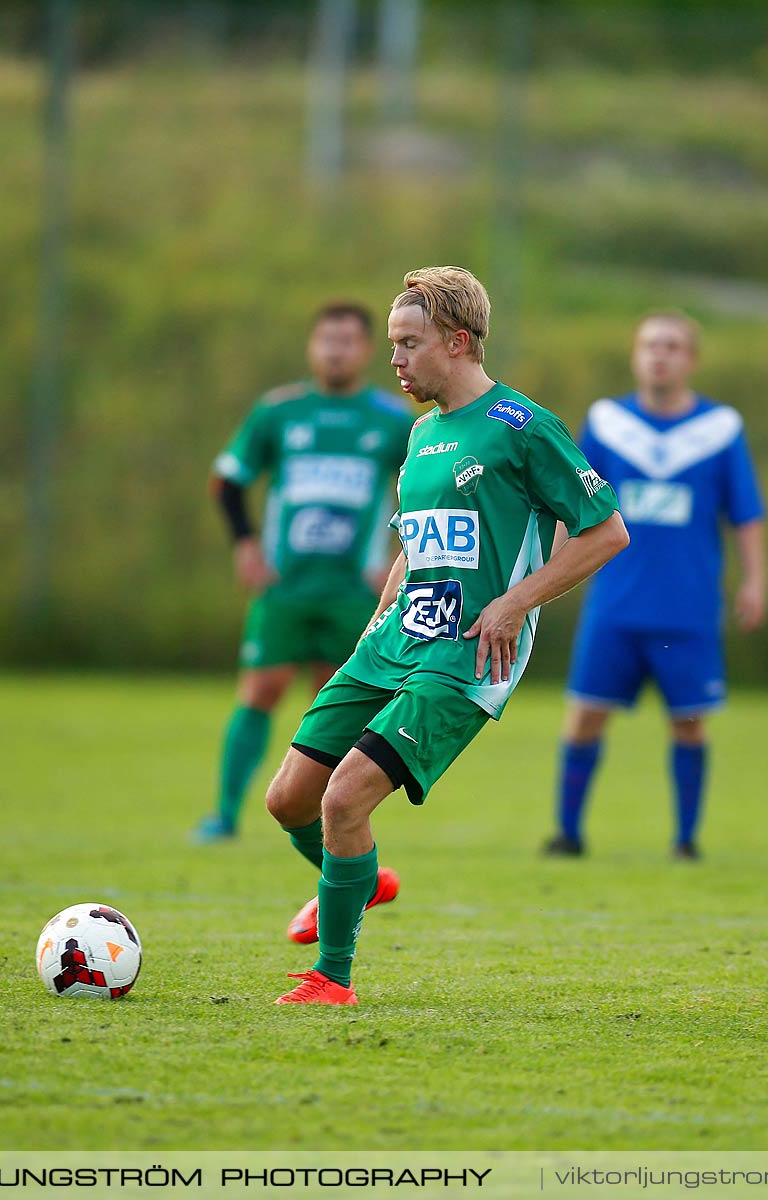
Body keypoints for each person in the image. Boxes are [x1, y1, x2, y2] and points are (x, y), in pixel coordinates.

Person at [260, 266, 629, 1005]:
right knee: (288, 801)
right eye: (392, 344)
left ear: (458, 343)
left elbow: (606, 533)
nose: (393, 360)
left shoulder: (522, 427)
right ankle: (362, 882)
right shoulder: (423, 433)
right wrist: (379, 619)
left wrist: (515, 603)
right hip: (392, 640)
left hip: (467, 653)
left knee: (344, 801)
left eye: (408, 344)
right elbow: (415, 546)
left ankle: (332, 977)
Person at [546, 311, 767, 861]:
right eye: (649, 345)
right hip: (615, 606)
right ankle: (568, 835)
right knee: (584, 715)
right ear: (635, 355)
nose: (659, 355)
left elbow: (745, 512)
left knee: (690, 724)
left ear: (690, 359)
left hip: (688, 609)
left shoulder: (719, 428)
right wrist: (542, 571)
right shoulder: (608, 422)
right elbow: (569, 504)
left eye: (671, 346)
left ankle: (685, 841)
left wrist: (755, 581)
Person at [196, 302, 414, 843]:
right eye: (326, 339)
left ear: (366, 351)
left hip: (354, 591)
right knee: (260, 690)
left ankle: (335, 821)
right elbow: (227, 480)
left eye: (347, 341)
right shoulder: (279, 412)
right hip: (286, 586)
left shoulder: (392, 420)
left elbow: (426, 491)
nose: (336, 350)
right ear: (312, 346)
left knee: (341, 702)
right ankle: (224, 815)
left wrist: (398, 553)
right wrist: (246, 545)